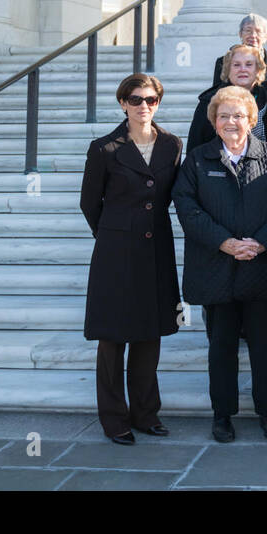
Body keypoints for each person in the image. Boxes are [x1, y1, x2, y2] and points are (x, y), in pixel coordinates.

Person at [172, 85, 267, 444]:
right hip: (217, 270)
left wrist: (259, 243)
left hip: (262, 269)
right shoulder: (197, 160)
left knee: (263, 347)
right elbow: (187, 209)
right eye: (223, 115)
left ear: (251, 120)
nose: (231, 121)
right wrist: (225, 243)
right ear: (213, 122)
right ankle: (222, 414)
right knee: (221, 347)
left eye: (238, 115)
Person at [80, 74, 182, 445]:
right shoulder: (104, 148)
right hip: (115, 252)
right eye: (136, 99)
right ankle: (113, 417)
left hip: (156, 251)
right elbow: (90, 204)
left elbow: (169, 195)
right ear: (123, 103)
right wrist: (114, 235)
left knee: (149, 333)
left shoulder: (171, 144)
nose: (144, 106)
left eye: (151, 100)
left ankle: (145, 413)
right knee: (112, 338)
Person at [189, 43, 267, 154]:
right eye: (236, 65)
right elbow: (195, 146)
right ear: (227, 69)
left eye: (249, 64)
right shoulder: (209, 102)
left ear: (258, 70)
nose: (242, 69)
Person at [209, 13, 267, 91]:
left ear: (266, 36)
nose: (253, 35)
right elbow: (217, 95)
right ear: (240, 34)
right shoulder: (223, 62)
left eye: (258, 31)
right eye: (248, 30)